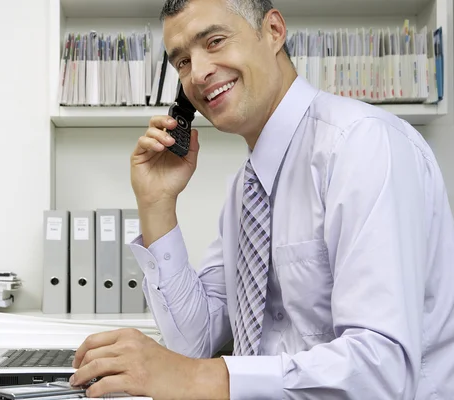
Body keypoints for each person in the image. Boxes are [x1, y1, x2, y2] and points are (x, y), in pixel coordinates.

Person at [69, 0, 454, 398]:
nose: (198, 74)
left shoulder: (361, 145)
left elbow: (382, 371)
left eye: (214, 41)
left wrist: (193, 377)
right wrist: (156, 205)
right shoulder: (246, 190)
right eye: (182, 62)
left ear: (273, 31)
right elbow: (195, 342)